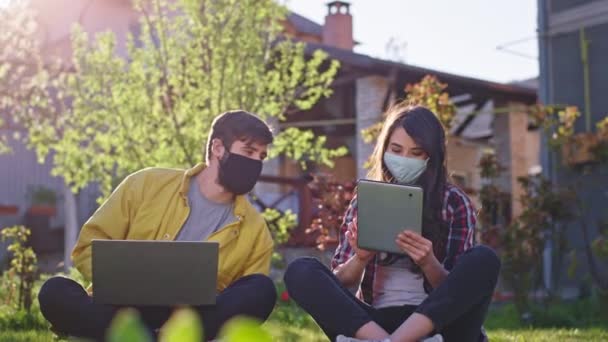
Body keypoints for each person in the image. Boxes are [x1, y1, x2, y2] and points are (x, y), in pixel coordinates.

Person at [38, 110, 278, 341]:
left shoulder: (256, 229)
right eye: (248, 151)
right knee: (55, 291)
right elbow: (87, 247)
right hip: (123, 309)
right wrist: (128, 285)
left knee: (262, 289)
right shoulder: (146, 183)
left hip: (196, 318)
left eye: (261, 157)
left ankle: (150, 338)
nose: (256, 162)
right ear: (217, 148)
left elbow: (245, 298)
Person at [284, 105, 501, 342]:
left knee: (484, 258)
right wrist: (360, 258)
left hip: (435, 325)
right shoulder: (366, 199)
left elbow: (457, 291)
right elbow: (341, 282)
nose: (404, 159)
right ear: (384, 149)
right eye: (396, 150)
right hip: (372, 321)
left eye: (416, 153)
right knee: (301, 270)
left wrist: (428, 262)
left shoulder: (454, 202)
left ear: (432, 156)